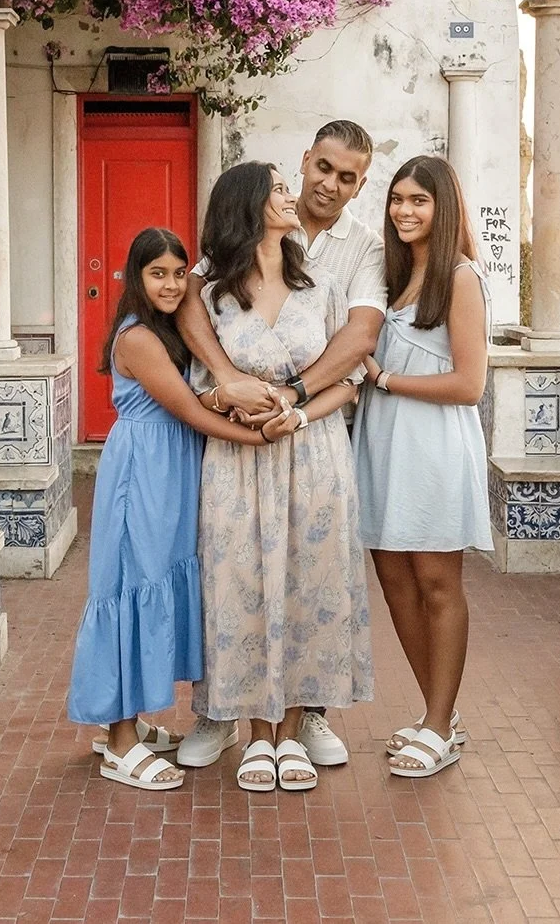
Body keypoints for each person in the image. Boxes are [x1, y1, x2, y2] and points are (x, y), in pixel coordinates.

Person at [176, 119, 386, 769]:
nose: (317, 188)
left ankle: (297, 723)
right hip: (235, 459)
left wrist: (294, 408)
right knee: (233, 584)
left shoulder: (330, 277)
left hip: (312, 452)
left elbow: (353, 365)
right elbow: (195, 375)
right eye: (317, 170)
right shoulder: (214, 284)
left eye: (346, 177)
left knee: (310, 584)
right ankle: (233, 718)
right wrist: (229, 393)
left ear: (359, 184)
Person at [66, 227, 266, 791]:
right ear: (136, 277)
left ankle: (124, 723)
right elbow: (191, 411)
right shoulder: (136, 338)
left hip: (171, 468)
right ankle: (119, 741)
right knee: (130, 584)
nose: (173, 284)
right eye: (158, 274)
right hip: (143, 472)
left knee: (155, 578)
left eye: (179, 273)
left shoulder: (169, 329)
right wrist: (265, 437)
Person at [352, 155, 492, 779]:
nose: (404, 211)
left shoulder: (459, 278)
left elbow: (469, 384)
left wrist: (385, 378)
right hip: (383, 443)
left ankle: (437, 724)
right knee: (395, 581)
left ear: (444, 207)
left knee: (437, 583)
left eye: (419, 201)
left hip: (432, 446)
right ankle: (442, 714)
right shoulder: (392, 275)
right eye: (397, 199)